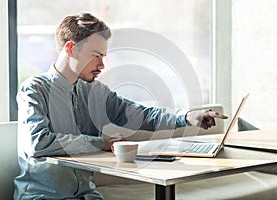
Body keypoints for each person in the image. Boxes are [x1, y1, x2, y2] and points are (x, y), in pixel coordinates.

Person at [14, 12, 227, 199]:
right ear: (71, 48)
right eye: (96, 56)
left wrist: (187, 116)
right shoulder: (33, 90)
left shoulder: (94, 91)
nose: (102, 65)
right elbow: (38, 143)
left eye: (104, 56)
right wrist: (101, 143)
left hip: (87, 195)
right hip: (44, 196)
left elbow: (141, 115)